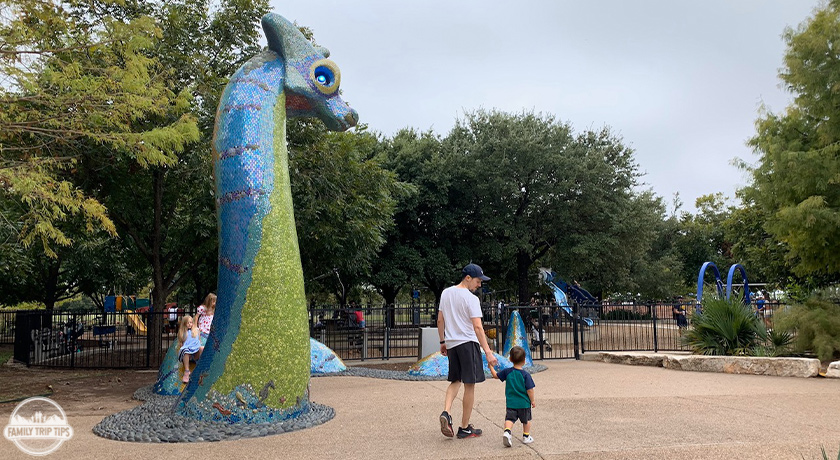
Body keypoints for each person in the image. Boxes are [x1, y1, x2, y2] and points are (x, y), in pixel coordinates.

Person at [438, 263, 499, 439]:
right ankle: (464, 427)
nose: (479, 285)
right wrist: (487, 351)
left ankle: (446, 412)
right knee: (469, 384)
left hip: (452, 343)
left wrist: (443, 341)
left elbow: (440, 320)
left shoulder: (446, 293)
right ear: (468, 278)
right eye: (478, 281)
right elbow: (478, 327)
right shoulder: (471, 299)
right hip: (468, 343)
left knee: (455, 380)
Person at [488, 346, 536, 447]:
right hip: (524, 403)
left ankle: (507, 431)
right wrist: (532, 400)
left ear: (510, 359)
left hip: (511, 403)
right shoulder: (526, 375)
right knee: (526, 420)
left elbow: (496, 376)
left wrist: (491, 367)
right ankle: (526, 436)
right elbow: (530, 390)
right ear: (524, 360)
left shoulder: (507, 372)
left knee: (509, 419)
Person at [178, 315, 204, 383]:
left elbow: (199, 341)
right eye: (188, 323)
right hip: (188, 355)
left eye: (191, 322)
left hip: (195, 353)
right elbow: (181, 345)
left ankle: (201, 367)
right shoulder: (182, 333)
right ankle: (187, 371)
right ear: (184, 324)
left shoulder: (196, 331)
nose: (190, 324)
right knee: (185, 351)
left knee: (202, 348)